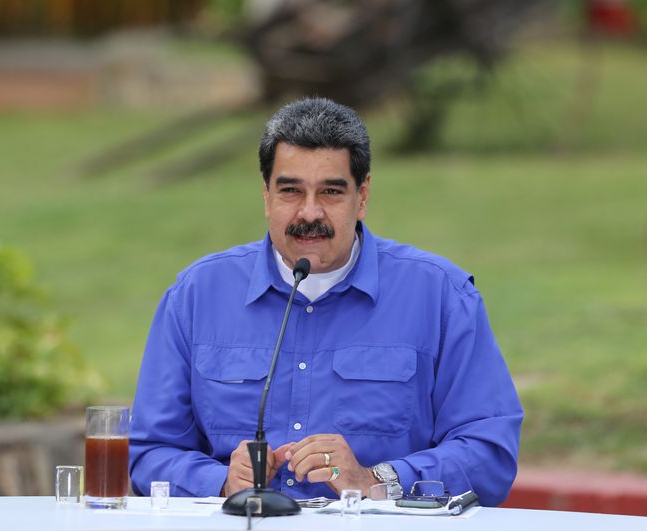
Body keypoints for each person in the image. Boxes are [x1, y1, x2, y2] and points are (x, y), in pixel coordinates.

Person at [128, 97, 523, 506]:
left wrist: (376, 479)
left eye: (331, 191)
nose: (310, 212)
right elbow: (148, 452)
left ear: (362, 195)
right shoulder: (197, 294)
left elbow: (489, 452)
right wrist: (222, 482)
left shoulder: (441, 295)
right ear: (266, 196)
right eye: (290, 191)